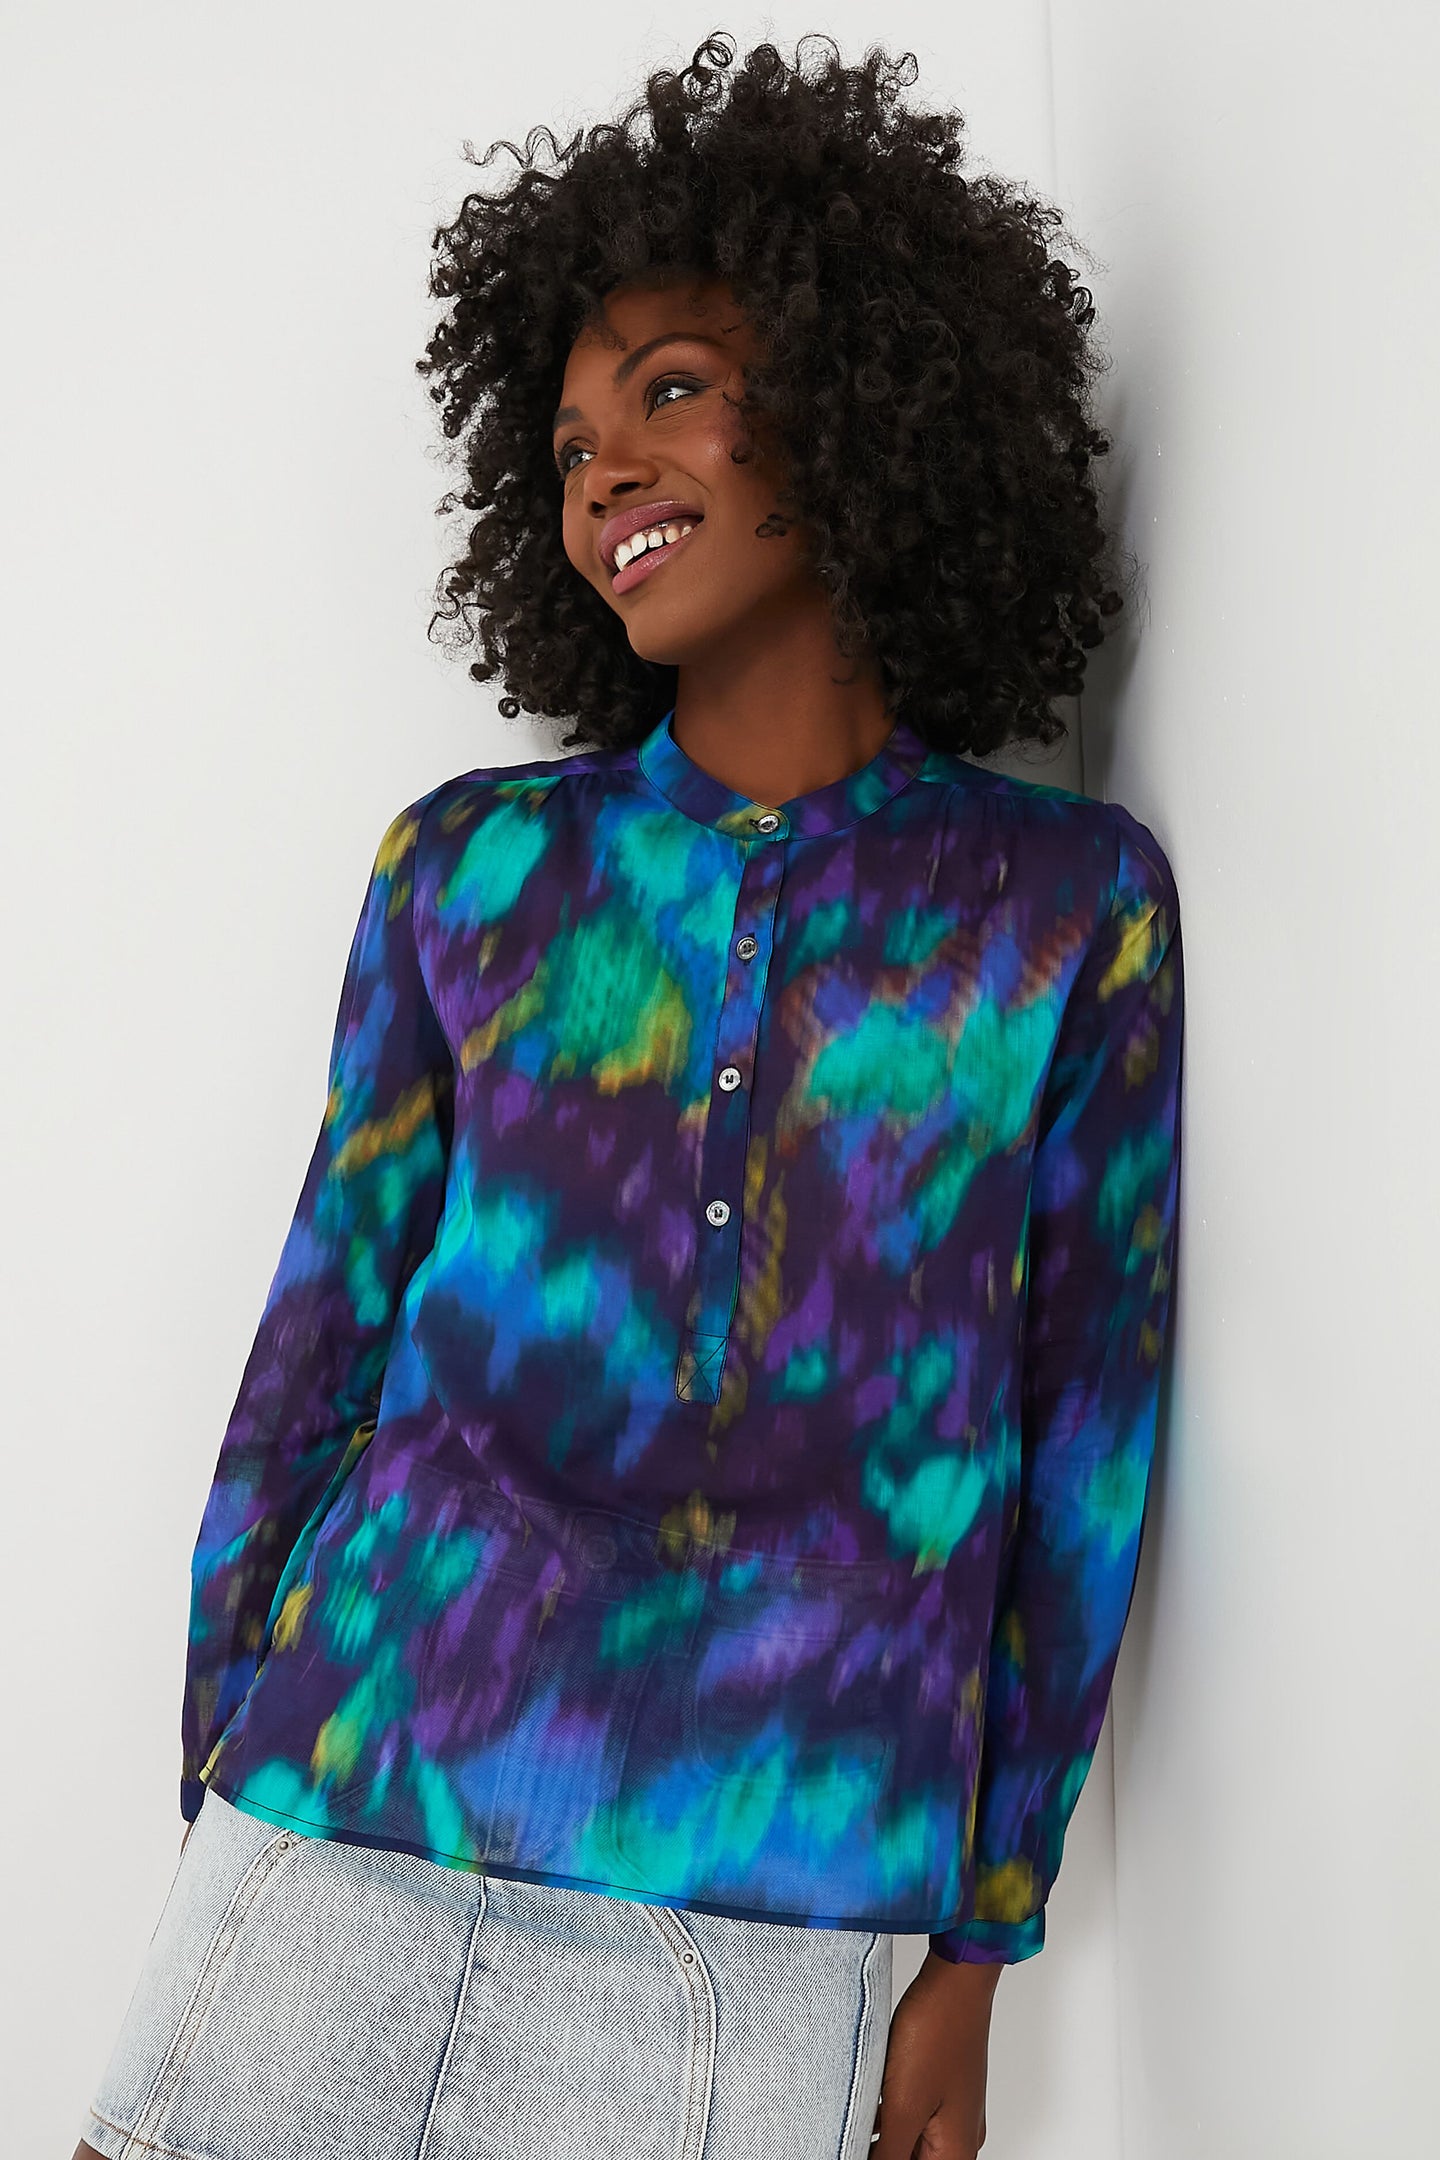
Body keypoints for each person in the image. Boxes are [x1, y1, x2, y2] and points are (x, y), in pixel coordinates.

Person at [74, 28, 1184, 2160]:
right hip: (342, 1817)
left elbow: (1078, 1457)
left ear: (860, 404)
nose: (604, 474)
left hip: (766, 1907)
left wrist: (979, 1949)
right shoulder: (469, 870)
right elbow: (317, 1348)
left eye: (671, 392)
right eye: (572, 438)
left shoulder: (1064, 911)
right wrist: (224, 1770)